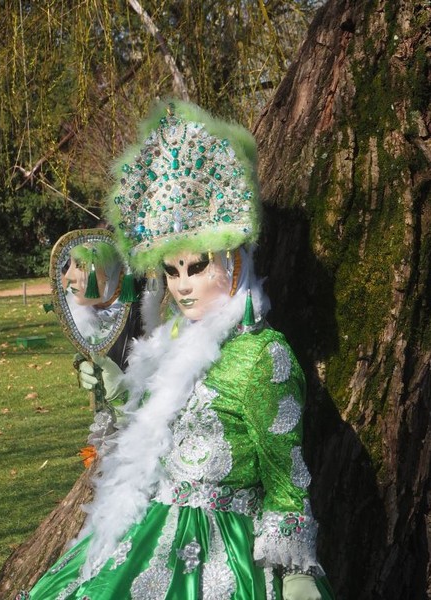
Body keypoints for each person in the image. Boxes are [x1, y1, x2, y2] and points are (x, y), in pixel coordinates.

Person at [21, 101, 334, 599]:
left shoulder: (263, 355)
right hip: (145, 528)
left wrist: (295, 570)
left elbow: (285, 469)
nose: (183, 285)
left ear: (234, 261)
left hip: (222, 550)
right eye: (172, 270)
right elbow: (144, 439)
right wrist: (114, 391)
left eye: (198, 266)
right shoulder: (166, 343)